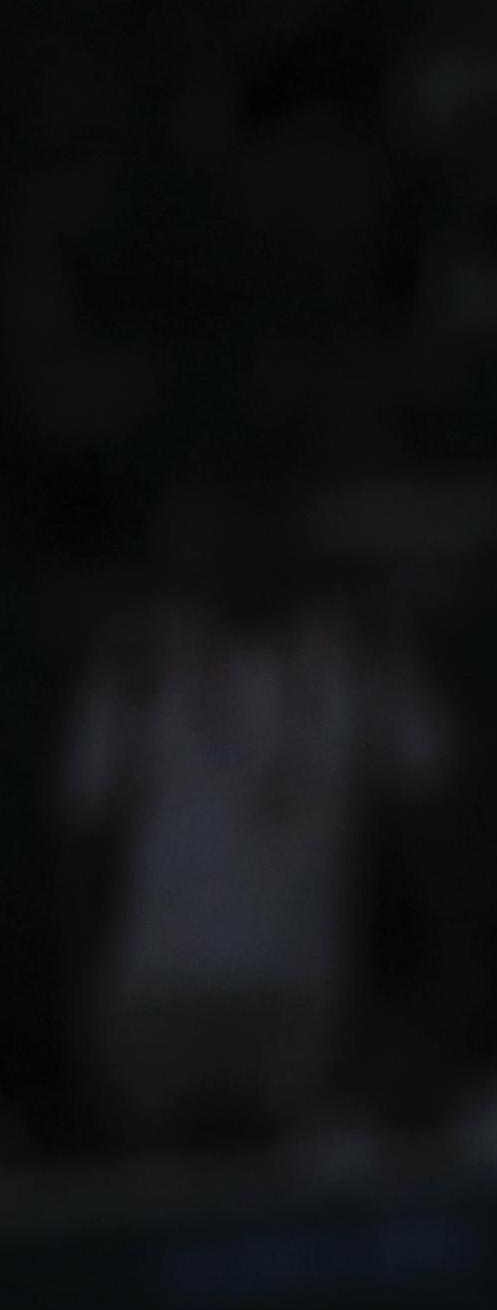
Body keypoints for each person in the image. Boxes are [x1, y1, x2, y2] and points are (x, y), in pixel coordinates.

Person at [53, 480, 454, 1149]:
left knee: (293, 1190)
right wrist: (84, 989)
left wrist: (437, 976)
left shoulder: (357, 653)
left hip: (306, 986)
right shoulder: (138, 660)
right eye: (222, 542)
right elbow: (86, 833)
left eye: (258, 539)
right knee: (163, 1189)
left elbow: (428, 810)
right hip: (156, 986)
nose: (242, 559)